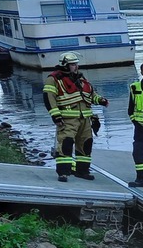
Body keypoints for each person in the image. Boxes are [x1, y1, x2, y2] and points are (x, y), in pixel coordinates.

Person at [42, 52, 109, 182]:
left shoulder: (81, 79)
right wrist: (56, 116)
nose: (76, 66)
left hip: (85, 119)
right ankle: (63, 172)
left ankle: (82, 171)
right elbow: (49, 98)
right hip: (67, 119)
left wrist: (100, 100)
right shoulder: (54, 79)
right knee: (66, 144)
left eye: (76, 64)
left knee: (85, 144)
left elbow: (90, 94)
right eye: (73, 64)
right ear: (65, 65)